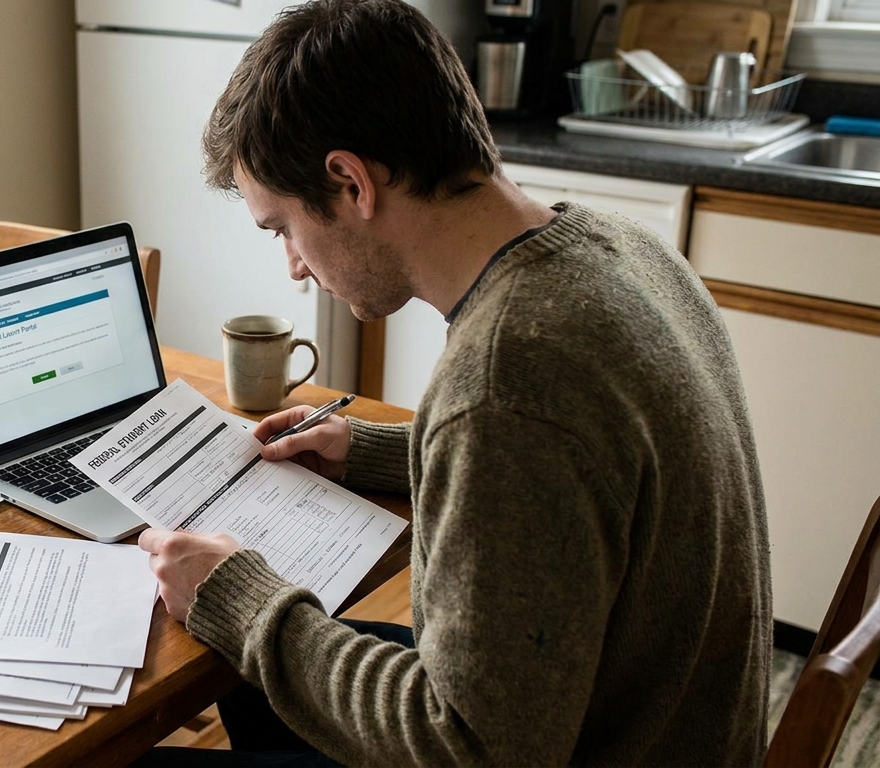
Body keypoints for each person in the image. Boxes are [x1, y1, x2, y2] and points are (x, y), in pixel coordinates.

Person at [134, 1, 772, 766]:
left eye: (283, 229)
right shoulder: (625, 249)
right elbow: (580, 475)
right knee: (250, 673)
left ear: (350, 182)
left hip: (571, 741)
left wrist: (239, 596)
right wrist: (370, 451)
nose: (294, 266)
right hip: (638, 711)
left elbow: (470, 747)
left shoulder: (506, 379)